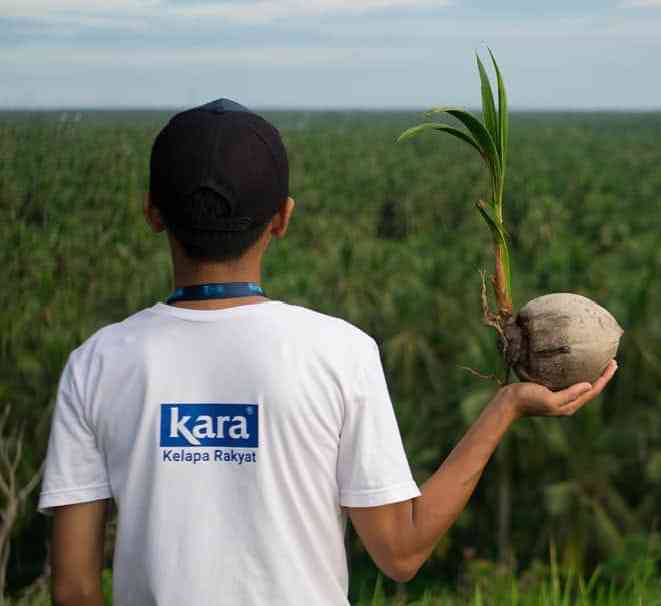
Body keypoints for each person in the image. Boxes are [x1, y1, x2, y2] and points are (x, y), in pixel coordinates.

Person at [38, 98, 617, 606]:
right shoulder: (338, 352)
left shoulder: (97, 362)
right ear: (283, 218)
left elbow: (74, 587)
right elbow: (401, 552)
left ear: (151, 211)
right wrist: (505, 407)